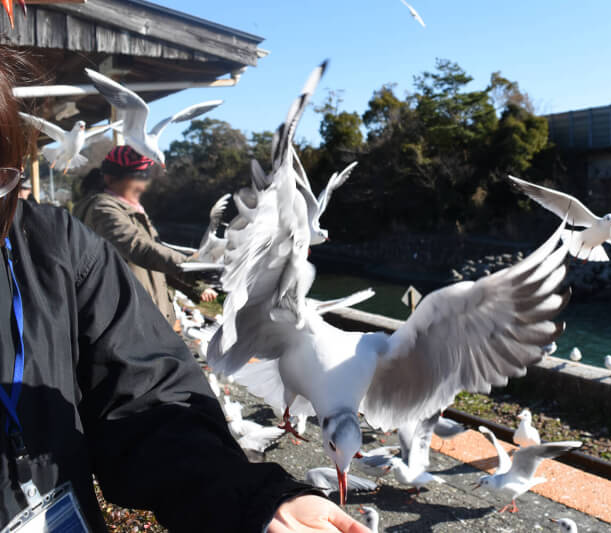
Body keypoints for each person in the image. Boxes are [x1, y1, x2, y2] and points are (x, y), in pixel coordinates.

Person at [1, 47, 368, 533]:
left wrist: (250, 502)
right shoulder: (105, 212)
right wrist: (200, 265)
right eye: (140, 172)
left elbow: (145, 397)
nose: (146, 179)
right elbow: (145, 250)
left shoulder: (55, 245)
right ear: (125, 174)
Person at [73, 149, 218, 327]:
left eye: (144, 176)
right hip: (126, 322)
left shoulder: (130, 208)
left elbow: (155, 262)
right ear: (110, 179)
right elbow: (139, 248)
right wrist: (194, 269)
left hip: (148, 316)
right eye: (137, 176)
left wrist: (195, 286)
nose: (143, 184)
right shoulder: (102, 210)